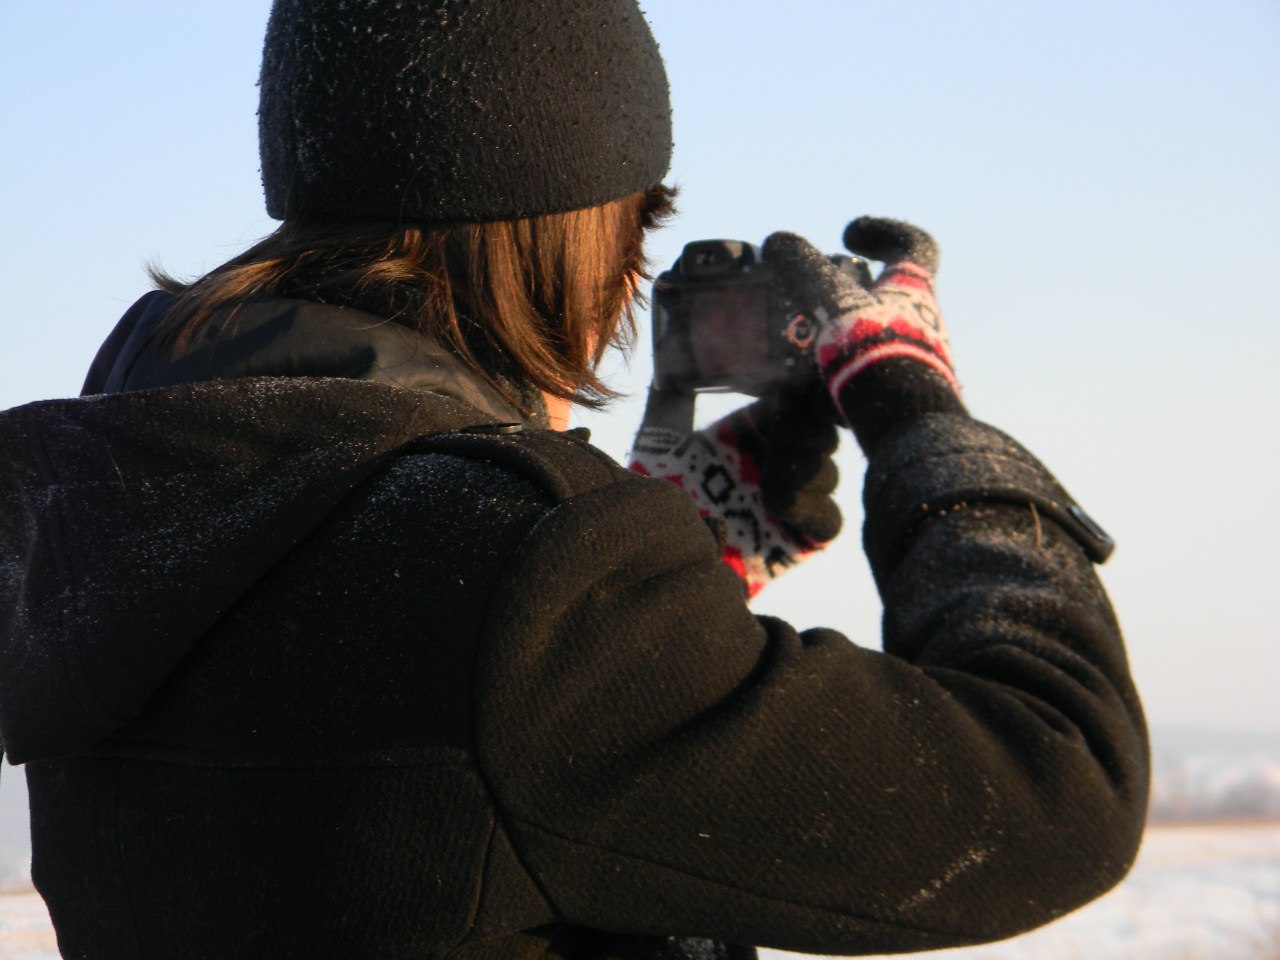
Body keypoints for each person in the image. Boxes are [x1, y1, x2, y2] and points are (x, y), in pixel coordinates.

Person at [0, 2, 1148, 958]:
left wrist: (672, 556)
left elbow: (432, 778)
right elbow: (1054, 782)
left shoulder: (112, 524)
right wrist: (913, 409)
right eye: (630, 238)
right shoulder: (507, 577)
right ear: (570, 238)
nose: (621, 296)